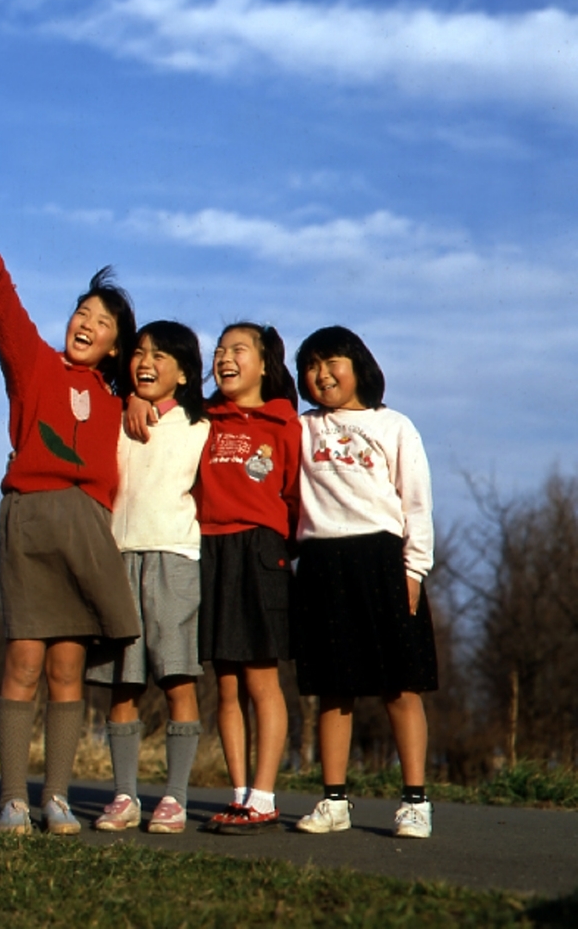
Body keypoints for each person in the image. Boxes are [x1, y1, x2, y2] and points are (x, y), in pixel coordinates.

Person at [0, 212, 140, 836]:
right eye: (82, 313)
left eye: (102, 322)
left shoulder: (119, 400)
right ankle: (12, 800)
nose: (87, 323)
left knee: (67, 669)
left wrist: (145, 399)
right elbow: (5, 319)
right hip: (32, 519)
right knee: (24, 660)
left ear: (116, 346)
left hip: (87, 529)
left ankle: (56, 797)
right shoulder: (36, 366)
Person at [291, 325, 438, 839]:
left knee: (402, 684)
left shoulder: (394, 425)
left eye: (331, 361)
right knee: (334, 687)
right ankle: (334, 801)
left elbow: (416, 501)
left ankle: (415, 802)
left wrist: (414, 568)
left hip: (382, 559)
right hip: (320, 559)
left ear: (359, 365)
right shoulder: (302, 427)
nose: (321, 374)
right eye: (310, 366)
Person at [85, 321, 210, 834]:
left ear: (183, 373)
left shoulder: (201, 425)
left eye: (160, 356)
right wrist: (130, 400)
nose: (146, 363)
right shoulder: (116, 415)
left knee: (177, 677)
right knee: (122, 683)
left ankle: (175, 798)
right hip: (117, 557)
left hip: (174, 557)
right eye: (139, 353)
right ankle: (124, 796)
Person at [197, 323, 301, 834]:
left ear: (263, 365)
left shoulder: (285, 424)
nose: (225, 357)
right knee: (225, 684)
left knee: (261, 680)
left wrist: (282, 545)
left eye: (238, 349)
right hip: (209, 548)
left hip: (260, 549)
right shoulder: (202, 420)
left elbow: (296, 496)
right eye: (219, 350)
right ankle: (239, 796)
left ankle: (263, 796)